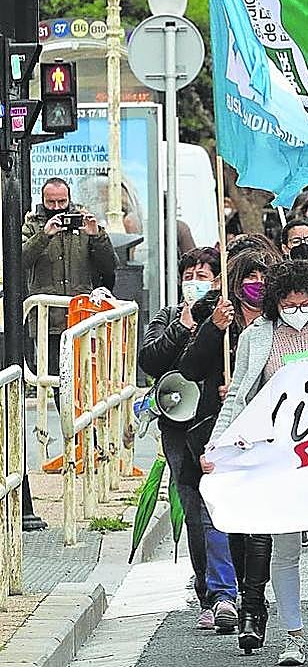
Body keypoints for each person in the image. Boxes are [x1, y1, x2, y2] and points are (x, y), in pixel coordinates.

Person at [205, 260, 308, 666]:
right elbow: (239, 395)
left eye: (305, 303)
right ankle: (292, 636)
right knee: (286, 545)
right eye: (289, 305)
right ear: (276, 302)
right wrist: (216, 446)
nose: (297, 311)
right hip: (278, 455)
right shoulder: (257, 336)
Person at [180, 247, 276, 653]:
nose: (257, 286)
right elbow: (189, 368)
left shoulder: (278, 323)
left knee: (260, 520)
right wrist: (212, 329)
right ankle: (229, 591)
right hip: (222, 431)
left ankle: (253, 598)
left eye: (263, 278)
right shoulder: (218, 319)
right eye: (249, 278)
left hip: (267, 434)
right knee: (225, 516)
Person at [137, 247, 238, 633]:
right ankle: (209, 594)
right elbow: (151, 360)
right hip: (180, 430)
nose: (195, 282)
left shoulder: (226, 316)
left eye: (203, 275)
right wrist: (182, 325)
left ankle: (239, 586)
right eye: (189, 275)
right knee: (195, 511)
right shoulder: (167, 317)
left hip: (218, 422)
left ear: (217, 280)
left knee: (225, 509)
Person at [21, 177, 117, 375]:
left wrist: (96, 235)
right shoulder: (32, 225)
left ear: (69, 199)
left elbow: (110, 265)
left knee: (84, 374)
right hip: (47, 319)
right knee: (53, 376)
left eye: (62, 202)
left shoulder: (84, 222)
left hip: (82, 314)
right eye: (51, 202)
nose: (57, 208)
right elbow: (20, 261)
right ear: (43, 200)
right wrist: (44, 235)